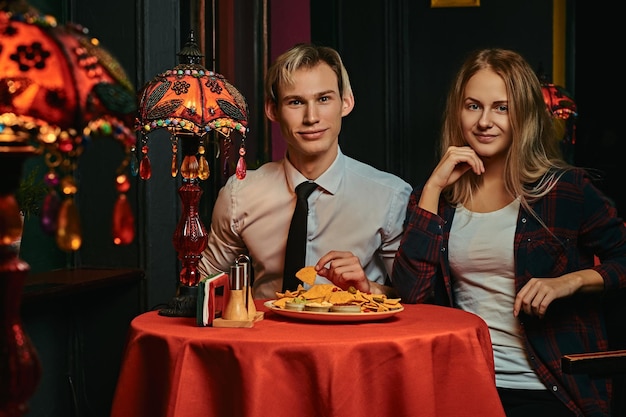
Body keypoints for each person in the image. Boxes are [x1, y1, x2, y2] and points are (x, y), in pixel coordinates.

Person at [391, 48, 626, 417]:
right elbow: (411, 294)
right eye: (473, 106)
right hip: (463, 381)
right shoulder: (436, 199)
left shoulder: (565, 190)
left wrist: (570, 282)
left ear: (525, 115)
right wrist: (434, 188)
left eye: (501, 107)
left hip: (547, 388)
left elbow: (623, 259)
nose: (485, 121)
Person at [198, 43, 412, 299]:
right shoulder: (239, 194)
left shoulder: (389, 196)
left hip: (353, 337)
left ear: (346, 102)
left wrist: (369, 288)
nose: (311, 117)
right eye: (296, 102)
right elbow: (205, 289)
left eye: (324, 99)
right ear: (272, 110)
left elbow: (412, 300)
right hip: (266, 336)